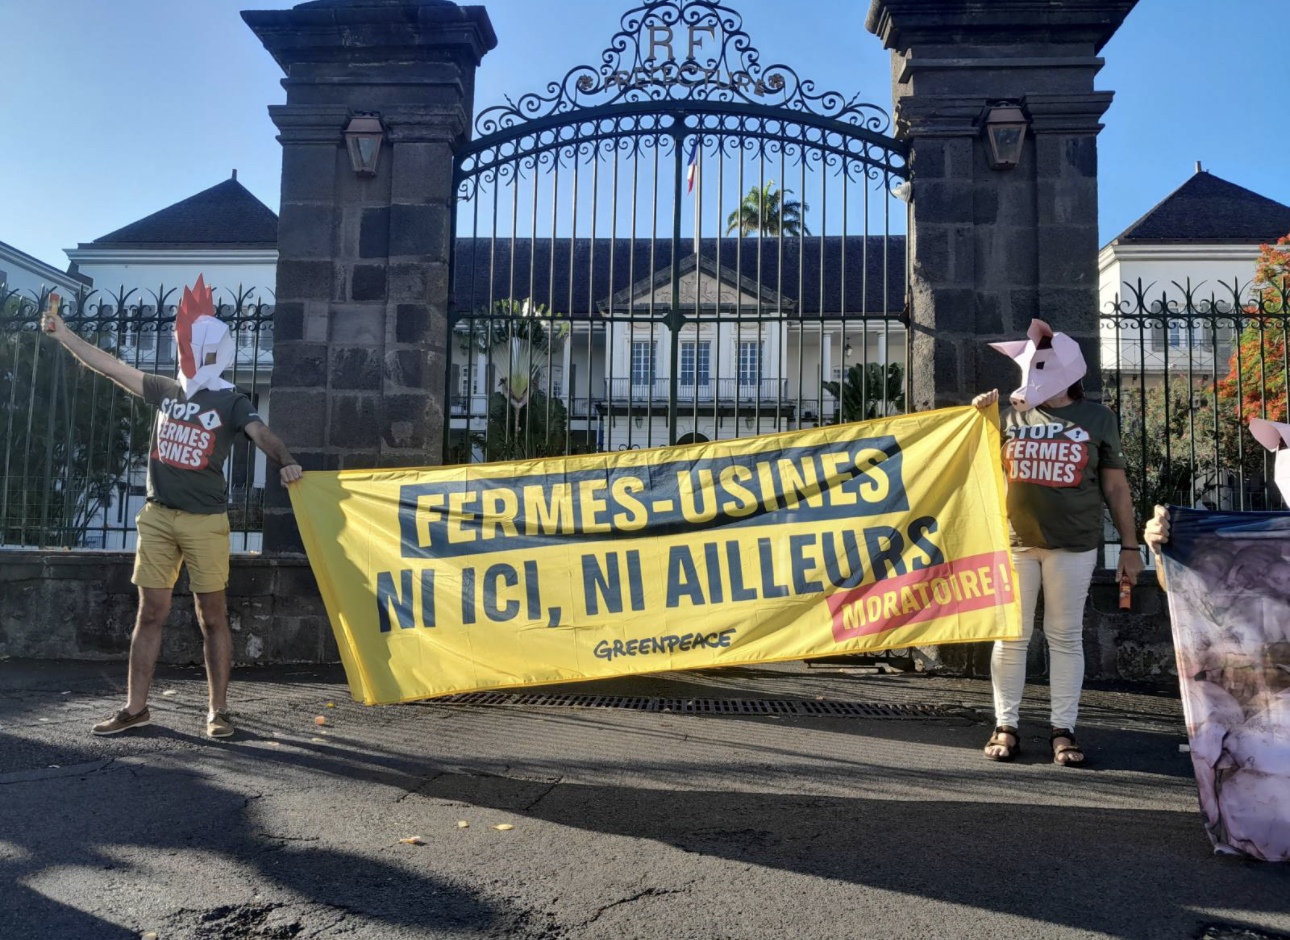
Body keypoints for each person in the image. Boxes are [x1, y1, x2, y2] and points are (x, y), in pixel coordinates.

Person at [40, 278, 303, 739]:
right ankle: (135, 708)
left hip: (205, 522)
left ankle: (218, 711)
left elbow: (262, 433)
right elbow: (111, 366)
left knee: (212, 616)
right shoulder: (166, 390)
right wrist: (64, 335)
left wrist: (287, 462)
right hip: (158, 516)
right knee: (150, 613)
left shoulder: (231, 399)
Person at [975, 321, 1144, 766]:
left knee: (1064, 636)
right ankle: (1005, 725)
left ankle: (1062, 730)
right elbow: (971, 466)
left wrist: (1130, 548)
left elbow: (1117, 489)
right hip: (1014, 542)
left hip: (1074, 543)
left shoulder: (1098, 419)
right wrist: (976, 419)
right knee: (1011, 637)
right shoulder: (1006, 417)